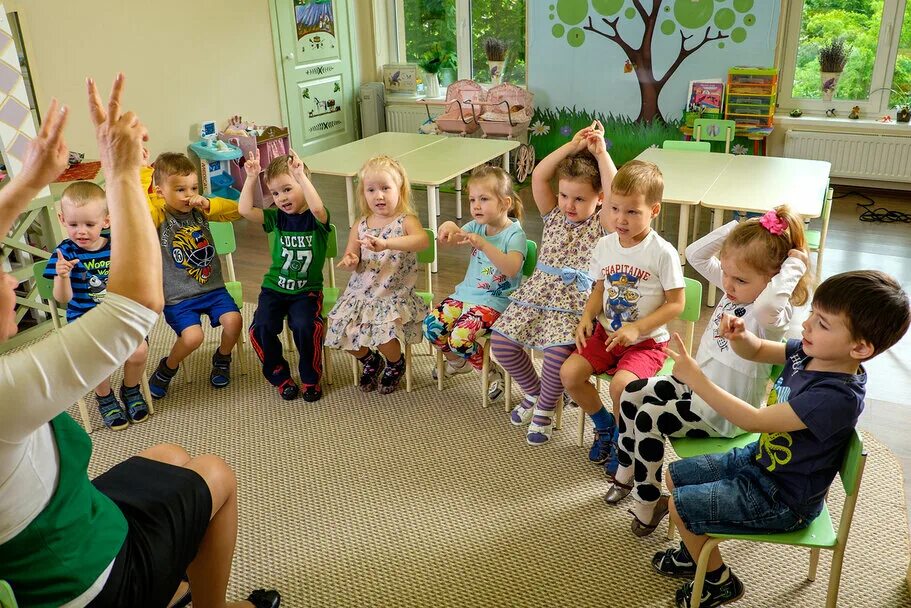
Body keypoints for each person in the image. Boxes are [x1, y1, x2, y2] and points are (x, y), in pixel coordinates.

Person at [0, 76, 280, 608]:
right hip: (93, 585)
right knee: (215, 473)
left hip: (67, 530)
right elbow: (135, 308)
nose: (12, 280)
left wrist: (30, 180)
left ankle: (175, 587)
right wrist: (122, 172)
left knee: (169, 453)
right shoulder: (6, 390)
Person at [652, 270, 909, 608]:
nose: (807, 325)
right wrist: (740, 336)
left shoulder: (834, 397)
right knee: (675, 475)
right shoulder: (809, 353)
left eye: (822, 323)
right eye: (813, 313)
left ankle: (720, 582)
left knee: (680, 507)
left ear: (859, 347)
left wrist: (697, 380)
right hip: (760, 460)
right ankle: (695, 555)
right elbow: (758, 350)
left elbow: (752, 419)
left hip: (782, 498)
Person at [604, 207, 810, 538]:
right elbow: (695, 254)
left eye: (740, 279)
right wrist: (739, 227)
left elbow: (772, 303)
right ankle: (627, 469)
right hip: (692, 385)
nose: (727, 284)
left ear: (774, 279)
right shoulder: (736, 289)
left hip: (722, 409)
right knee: (632, 393)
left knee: (648, 418)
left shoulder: (770, 313)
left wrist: (795, 264)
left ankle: (648, 502)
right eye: (726, 273)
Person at [490, 121, 616, 445]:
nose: (569, 205)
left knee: (557, 353)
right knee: (503, 344)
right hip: (538, 290)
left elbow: (615, 192)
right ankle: (535, 392)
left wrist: (601, 155)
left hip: (575, 298)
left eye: (579, 199)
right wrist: (573, 146)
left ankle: (545, 408)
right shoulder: (553, 214)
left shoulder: (602, 223)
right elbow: (538, 175)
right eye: (564, 195)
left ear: (600, 199)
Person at [561, 160, 685, 469]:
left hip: (646, 342)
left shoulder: (662, 252)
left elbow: (676, 303)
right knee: (570, 374)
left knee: (622, 387)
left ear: (653, 211)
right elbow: (599, 289)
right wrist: (587, 317)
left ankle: (622, 441)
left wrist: (637, 328)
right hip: (606, 333)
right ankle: (605, 427)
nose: (621, 219)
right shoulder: (605, 245)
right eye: (615, 209)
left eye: (632, 211)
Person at [44, 181, 150, 429]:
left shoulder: (116, 246)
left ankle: (131, 390)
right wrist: (62, 276)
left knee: (139, 351)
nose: (81, 231)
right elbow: (63, 299)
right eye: (73, 224)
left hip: (117, 314)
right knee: (97, 358)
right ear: (62, 219)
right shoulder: (65, 253)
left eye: (89, 225)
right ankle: (104, 397)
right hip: (85, 319)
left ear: (106, 221)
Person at [140, 152, 243, 399]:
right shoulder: (158, 215)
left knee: (234, 321)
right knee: (193, 337)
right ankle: (168, 367)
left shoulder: (200, 210)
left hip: (213, 289)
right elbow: (140, 207)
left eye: (194, 187)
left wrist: (209, 203)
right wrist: (144, 172)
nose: (189, 195)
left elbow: (238, 211)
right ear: (161, 191)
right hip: (179, 296)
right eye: (180, 189)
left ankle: (222, 357)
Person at [324, 155, 429, 394]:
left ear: (399, 189)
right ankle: (371, 361)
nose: (378, 195)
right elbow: (352, 255)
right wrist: (350, 260)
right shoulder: (360, 224)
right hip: (360, 293)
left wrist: (387, 243)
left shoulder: (405, 221)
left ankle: (395, 363)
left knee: (384, 335)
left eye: (385, 188)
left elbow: (422, 240)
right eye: (371, 190)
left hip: (391, 293)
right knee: (339, 329)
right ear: (364, 194)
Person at [423, 165, 526, 401]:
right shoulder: (476, 225)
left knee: (459, 338)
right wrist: (448, 226)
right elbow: (456, 234)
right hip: (464, 295)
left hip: (496, 301)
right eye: (472, 200)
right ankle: (460, 362)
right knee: (430, 327)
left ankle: (490, 372)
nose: (476, 206)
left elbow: (511, 268)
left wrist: (485, 245)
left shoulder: (515, 235)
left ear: (505, 203)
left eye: (484, 199)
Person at [239, 148, 330, 402]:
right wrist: (250, 178)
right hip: (275, 288)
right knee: (260, 328)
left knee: (306, 326)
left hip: (306, 291)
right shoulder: (276, 217)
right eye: (275, 193)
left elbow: (319, 208)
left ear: (303, 184)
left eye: (288, 189)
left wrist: (301, 177)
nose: (281, 198)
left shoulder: (315, 218)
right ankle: (279, 375)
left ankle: (310, 377)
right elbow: (246, 211)